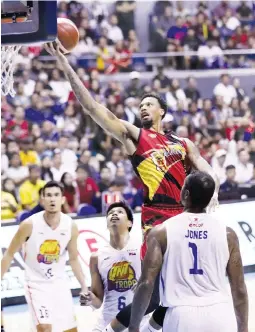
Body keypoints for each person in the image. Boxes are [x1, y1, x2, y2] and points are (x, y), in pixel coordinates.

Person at [44, 41, 220, 332]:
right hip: (156, 217)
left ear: (162, 110)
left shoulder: (182, 143)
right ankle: (116, 329)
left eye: (148, 104)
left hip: (185, 215)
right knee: (150, 284)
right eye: (140, 106)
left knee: (174, 292)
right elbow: (93, 108)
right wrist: (64, 64)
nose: (142, 108)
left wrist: (212, 189)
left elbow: (205, 167)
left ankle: (137, 327)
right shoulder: (135, 138)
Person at [128, 171, 248, 332]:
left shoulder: (161, 232)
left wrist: (134, 326)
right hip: (220, 314)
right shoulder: (228, 235)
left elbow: (146, 283)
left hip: (181, 315)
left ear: (185, 193)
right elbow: (239, 288)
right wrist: (243, 327)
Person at [1, 181, 88, 332]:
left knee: (71, 330)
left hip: (59, 284)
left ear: (62, 199)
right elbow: (9, 254)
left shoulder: (70, 225)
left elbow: (73, 259)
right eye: (48, 195)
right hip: (36, 285)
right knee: (45, 328)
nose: (52, 199)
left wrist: (84, 286)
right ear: (42, 200)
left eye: (56, 195)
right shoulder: (29, 224)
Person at [80, 201, 141, 331]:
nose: (114, 214)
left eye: (120, 212)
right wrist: (90, 299)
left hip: (137, 323)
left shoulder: (142, 250)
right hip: (108, 322)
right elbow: (98, 302)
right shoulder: (96, 257)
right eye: (111, 213)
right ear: (107, 224)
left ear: (129, 223)